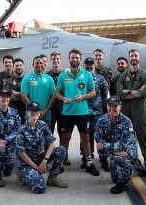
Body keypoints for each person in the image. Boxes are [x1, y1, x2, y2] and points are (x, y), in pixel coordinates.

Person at [55, 48, 99, 176]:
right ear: (69, 59)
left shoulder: (87, 75)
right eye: (72, 57)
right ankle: (60, 163)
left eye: (77, 58)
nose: (74, 60)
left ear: (80, 60)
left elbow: (93, 92)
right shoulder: (63, 75)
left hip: (83, 113)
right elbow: (57, 93)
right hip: (67, 113)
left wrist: (83, 97)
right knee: (65, 138)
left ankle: (89, 163)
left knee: (85, 138)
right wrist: (63, 99)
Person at [16, 101, 68, 194]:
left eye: (37, 111)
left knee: (61, 150)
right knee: (40, 188)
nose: (35, 113)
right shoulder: (22, 130)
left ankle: (52, 178)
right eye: (32, 111)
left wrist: (44, 161)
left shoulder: (42, 125)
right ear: (27, 112)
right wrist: (36, 168)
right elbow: (22, 154)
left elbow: (52, 144)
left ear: (39, 112)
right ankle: (22, 174)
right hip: (27, 163)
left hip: (40, 158)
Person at [95, 96, 138, 194]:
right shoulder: (101, 120)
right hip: (113, 151)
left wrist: (106, 146)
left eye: (115, 106)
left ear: (120, 107)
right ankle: (127, 166)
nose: (112, 109)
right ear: (106, 106)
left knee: (120, 160)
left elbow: (123, 144)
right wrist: (113, 149)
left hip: (127, 150)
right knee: (114, 179)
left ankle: (132, 168)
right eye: (110, 106)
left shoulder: (126, 122)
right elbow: (99, 141)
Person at [116, 49, 146, 160]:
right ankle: (130, 163)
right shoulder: (123, 76)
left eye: (135, 56)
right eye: (131, 56)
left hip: (140, 112)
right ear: (129, 58)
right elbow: (119, 93)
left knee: (144, 139)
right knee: (126, 139)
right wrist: (136, 92)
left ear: (139, 58)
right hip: (126, 112)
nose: (134, 58)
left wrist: (128, 92)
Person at [0, 90, 22, 187]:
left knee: (7, 172)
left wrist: (6, 140)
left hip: (10, 142)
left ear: (9, 99)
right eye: (2, 96)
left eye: (7, 97)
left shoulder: (14, 113)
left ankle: (0, 163)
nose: (5, 99)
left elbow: (18, 129)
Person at [82, 57, 109, 171]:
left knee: (100, 136)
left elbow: (104, 93)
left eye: (91, 64)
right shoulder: (81, 78)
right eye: (87, 64)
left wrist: (101, 106)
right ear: (84, 65)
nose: (89, 66)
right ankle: (86, 158)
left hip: (97, 112)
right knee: (86, 136)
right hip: (84, 112)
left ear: (94, 65)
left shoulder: (100, 78)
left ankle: (103, 159)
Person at [21, 56, 56, 128]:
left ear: (44, 65)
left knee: (46, 138)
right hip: (31, 116)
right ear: (33, 65)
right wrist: (34, 111)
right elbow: (23, 96)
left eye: (41, 63)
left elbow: (54, 96)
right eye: (37, 63)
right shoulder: (27, 78)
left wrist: (45, 111)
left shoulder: (49, 79)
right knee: (30, 138)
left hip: (45, 116)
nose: (39, 65)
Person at [0, 56, 26, 123]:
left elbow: (30, 94)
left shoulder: (27, 79)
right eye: (6, 62)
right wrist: (24, 96)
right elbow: (8, 97)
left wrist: (16, 94)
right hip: (10, 109)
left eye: (9, 62)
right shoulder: (0, 77)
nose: (8, 64)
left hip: (25, 111)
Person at [46, 52, 63, 142]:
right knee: (49, 132)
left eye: (57, 59)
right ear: (50, 61)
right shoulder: (47, 76)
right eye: (53, 59)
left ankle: (63, 153)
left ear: (60, 60)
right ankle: (49, 153)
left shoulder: (65, 75)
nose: (55, 61)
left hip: (62, 108)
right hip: (51, 108)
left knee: (62, 132)